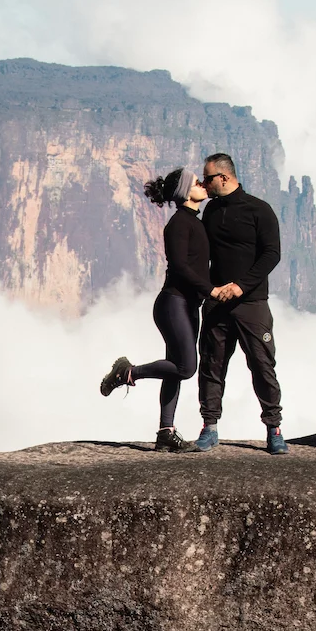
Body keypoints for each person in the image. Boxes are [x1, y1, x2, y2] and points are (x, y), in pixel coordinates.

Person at [99, 166, 214, 451]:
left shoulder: (194, 222)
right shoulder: (178, 224)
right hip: (173, 303)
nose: (203, 185)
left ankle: (166, 432)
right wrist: (209, 290)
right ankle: (127, 372)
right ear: (186, 191)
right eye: (197, 183)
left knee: (174, 369)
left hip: (188, 305)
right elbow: (179, 266)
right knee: (186, 368)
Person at [195, 153, 289, 455]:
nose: (204, 184)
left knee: (262, 364)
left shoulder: (259, 210)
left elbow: (271, 254)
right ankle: (209, 427)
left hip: (252, 303)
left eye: (208, 178)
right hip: (216, 303)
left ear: (224, 177)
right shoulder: (210, 211)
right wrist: (209, 290)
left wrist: (241, 286)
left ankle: (274, 429)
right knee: (211, 364)